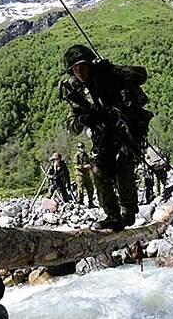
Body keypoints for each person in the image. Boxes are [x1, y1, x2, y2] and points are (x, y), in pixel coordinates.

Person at [60, 44, 152, 231]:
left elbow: (141, 75)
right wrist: (85, 118)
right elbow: (72, 127)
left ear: (91, 64)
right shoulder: (76, 90)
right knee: (99, 171)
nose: (80, 72)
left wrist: (114, 69)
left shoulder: (108, 75)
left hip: (126, 128)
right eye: (75, 69)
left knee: (124, 162)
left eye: (83, 66)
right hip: (103, 135)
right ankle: (112, 215)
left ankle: (128, 212)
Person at [74, 142, 95, 207]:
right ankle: (80, 202)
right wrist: (84, 166)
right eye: (80, 147)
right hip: (80, 175)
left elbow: (89, 161)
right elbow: (76, 166)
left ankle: (91, 202)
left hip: (86, 174)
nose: (82, 149)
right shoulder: (76, 156)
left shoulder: (86, 155)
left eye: (82, 147)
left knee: (90, 188)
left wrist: (90, 165)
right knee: (80, 190)